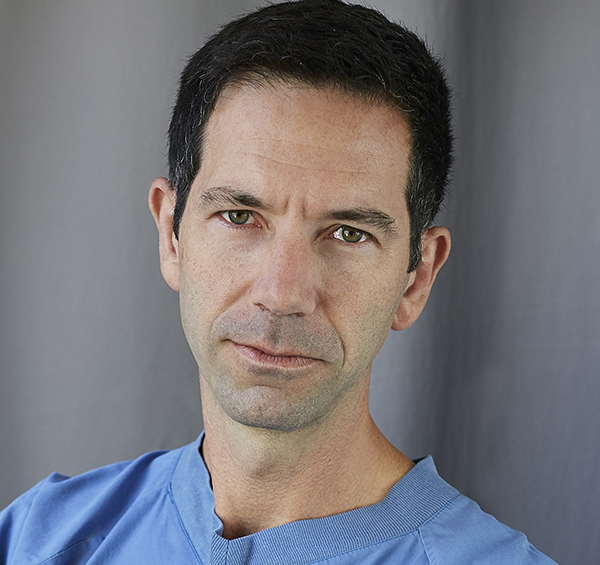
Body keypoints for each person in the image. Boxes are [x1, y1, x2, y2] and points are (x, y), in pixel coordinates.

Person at [0, 0, 557, 563]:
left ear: (417, 278)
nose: (282, 294)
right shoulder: (33, 541)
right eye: (240, 216)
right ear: (171, 235)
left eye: (348, 234)